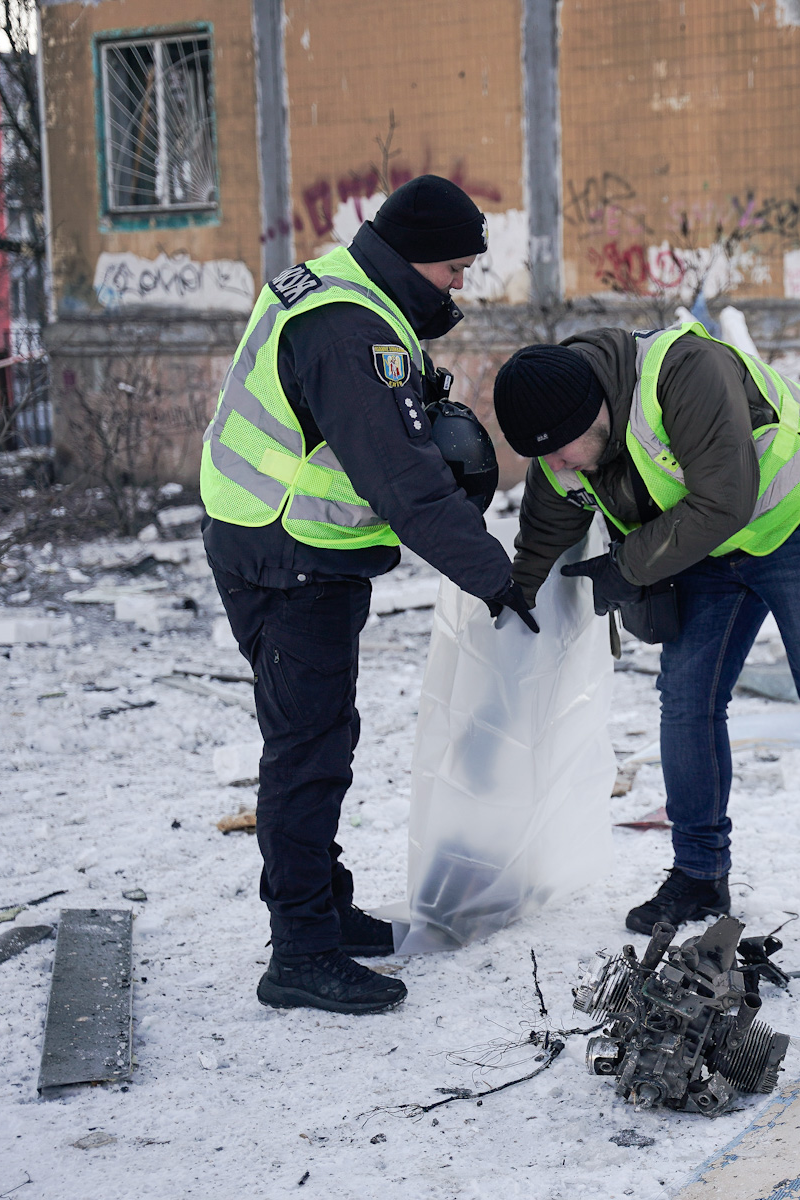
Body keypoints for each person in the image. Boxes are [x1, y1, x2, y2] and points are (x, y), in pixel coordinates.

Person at [490, 324, 800, 968]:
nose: (557, 467)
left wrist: (626, 567)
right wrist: (512, 595)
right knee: (686, 700)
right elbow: (546, 529)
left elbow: (723, 501)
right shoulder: (561, 436)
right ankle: (698, 874)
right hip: (704, 544)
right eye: (544, 458)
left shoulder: (681, 372)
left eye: (562, 451)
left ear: (596, 411)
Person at [201, 175, 533, 1014]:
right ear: (416, 258)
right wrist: (497, 579)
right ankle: (301, 951)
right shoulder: (350, 331)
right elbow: (403, 485)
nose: (461, 283)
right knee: (307, 752)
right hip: (290, 556)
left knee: (319, 737)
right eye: (456, 269)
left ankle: (323, 907)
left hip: (276, 544)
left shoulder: (340, 285)